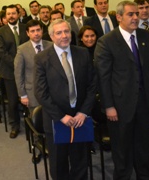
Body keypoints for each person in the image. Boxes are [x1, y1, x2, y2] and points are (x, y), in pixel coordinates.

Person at [94, 0, 149, 179]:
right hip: (119, 105)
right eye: (130, 14)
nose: (135, 18)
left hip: (145, 102)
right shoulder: (106, 42)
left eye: (136, 14)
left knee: (144, 146)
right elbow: (103, 77)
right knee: (122, 148)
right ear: (119, 17)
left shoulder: (147, 37)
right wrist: (108, 105)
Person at [34, 19, 96, 180]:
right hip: (56, 120)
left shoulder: (82, 53)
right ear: (51, 36)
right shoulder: (42, 58)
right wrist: (61, 116)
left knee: (80, 162)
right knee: (58, 164)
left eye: (66, 31)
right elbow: (41, 93)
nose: (64, 36)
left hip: (80, 118)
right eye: (59, 32)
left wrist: (83, 112)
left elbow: (92, 86)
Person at [0, 4, 29, 138]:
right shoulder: (0, 32)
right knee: (13, 101)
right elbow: (1, 52)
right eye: (8, 14)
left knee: (29, 98)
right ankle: (14, 125)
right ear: (5, 16)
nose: (11, 16)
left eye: (13, 13)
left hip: (28, 70)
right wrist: (17, 64)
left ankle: (31, 123)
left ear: (18, 14)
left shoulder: (26, 28)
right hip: (9, 71)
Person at [15, 19, 52, 113]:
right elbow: (18, 74)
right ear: (27, 33)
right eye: (32, 31)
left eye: (38, 30)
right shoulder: (22, 50)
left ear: (42, 30)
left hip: (51, 91)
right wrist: (22, 95)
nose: (36, 33)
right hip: (32, 93)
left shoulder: (51, 46)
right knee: (37, 122)